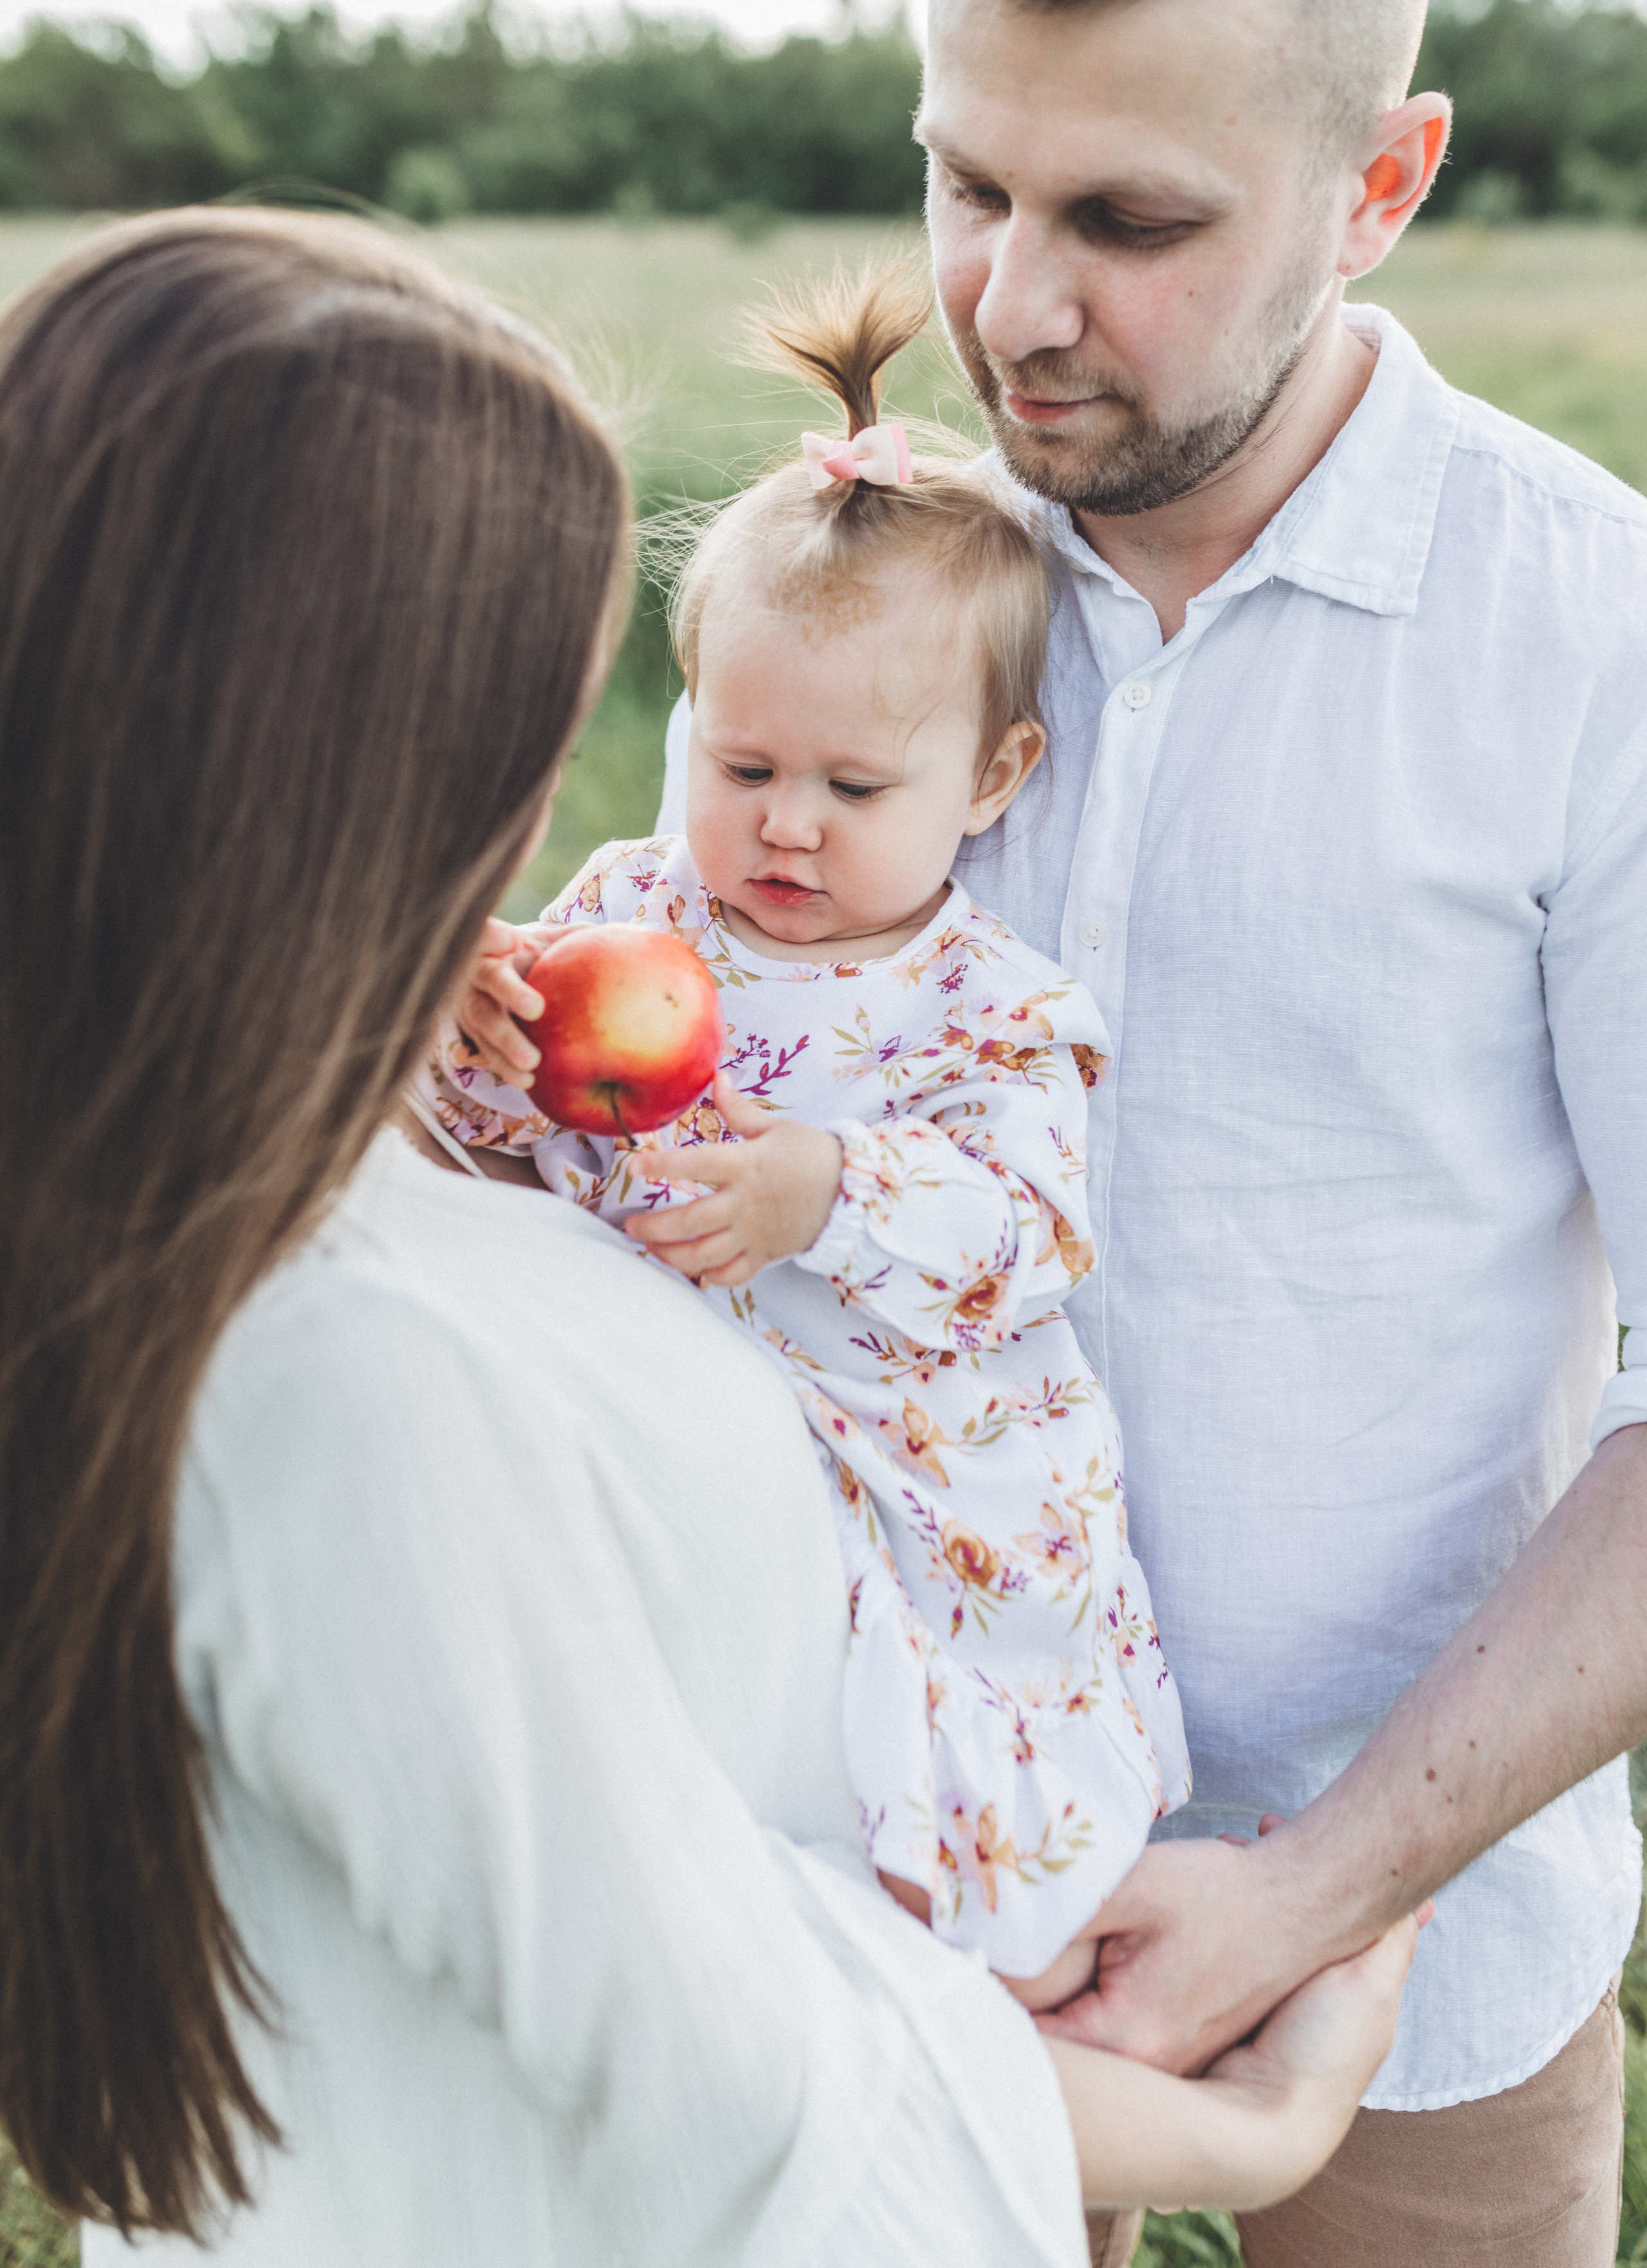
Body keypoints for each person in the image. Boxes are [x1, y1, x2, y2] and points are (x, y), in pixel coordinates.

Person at [0, 207, 1417, 2267]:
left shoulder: (211, 1206)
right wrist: (1252, 2139)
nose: (693, 827)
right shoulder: (346, 1376)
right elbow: (745, 2102)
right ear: (338, 790)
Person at [654, 0, 1647, 2262]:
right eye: (966, 184)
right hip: (850, 1889)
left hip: (1424, 1941)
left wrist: (1313, 1886)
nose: (1009, 307)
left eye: (1132, 223)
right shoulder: (858, 602)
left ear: (1383, 182)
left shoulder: (1598, 646)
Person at [427, 263, 1191, 2013]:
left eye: (854, 790)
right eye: (741, 762)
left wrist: (827, 1191)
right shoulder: (630, 921)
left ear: (991, 781)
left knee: (975, 1799)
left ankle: (1005, 2034)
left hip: (926, 1468)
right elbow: (514, 1133)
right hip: (702, 1464)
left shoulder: (986, 999)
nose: (782, 827)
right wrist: (466, 1030)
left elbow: (1031, 1226)